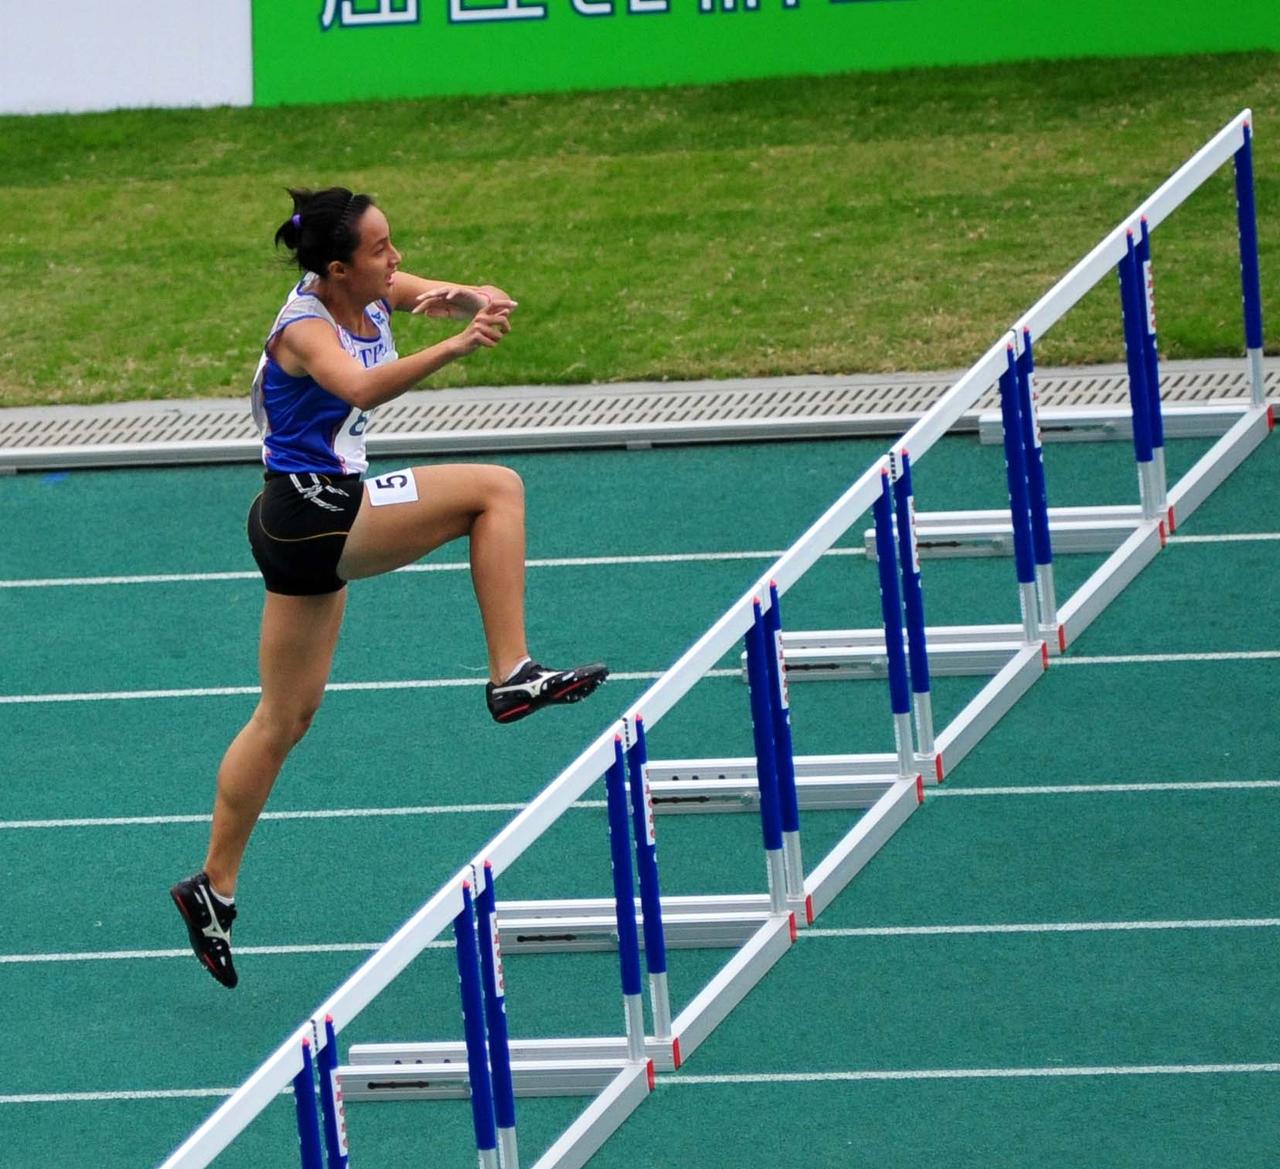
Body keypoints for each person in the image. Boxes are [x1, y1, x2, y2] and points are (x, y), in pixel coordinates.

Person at [170, 186, 608, 989]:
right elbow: (360, 388)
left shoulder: (367, 287)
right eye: (379, 249)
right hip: (314, 511)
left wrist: (468, 294)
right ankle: (511, 673)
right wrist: (456, 346)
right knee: (496, 490)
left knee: (283, 716)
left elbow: (418, 290)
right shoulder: (306, 329)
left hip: (298, 521)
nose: (395, 259)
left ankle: (213, 886)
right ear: (337, 269)